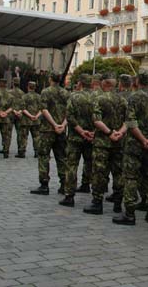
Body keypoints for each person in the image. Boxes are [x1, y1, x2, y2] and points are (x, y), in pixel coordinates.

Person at [113, 70, 148, 226]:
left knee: (131, 178)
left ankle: (130, 213)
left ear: (137, 81)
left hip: (134, 145)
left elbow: (131, 122)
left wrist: (143, 140)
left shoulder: (133, 97)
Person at [83, 75, 128, 215]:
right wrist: (119, 133)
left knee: (99, 172)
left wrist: (109, 133)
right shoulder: (123, 100)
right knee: (118, 172)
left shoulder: (99, 99)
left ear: (106, 84)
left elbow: (97, 121)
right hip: (118, 142)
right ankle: (118, 202)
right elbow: (129, 121)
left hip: (102, 142)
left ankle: (97, 203)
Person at [60, 74, 96, 207]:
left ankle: (69, 195)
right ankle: (89, 187)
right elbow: (100, 118)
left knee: (71, 165)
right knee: (90, 163)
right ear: (91, 84)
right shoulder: (97, 97)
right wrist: (93, 132)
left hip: (75, 137)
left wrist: (81, 131)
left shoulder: (74, 96)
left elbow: (69, 117)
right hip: (92, 136)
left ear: (80, 83)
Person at [30, 73, 69, 195]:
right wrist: (63, 125)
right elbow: (70, 111)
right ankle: (64, 184)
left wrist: (54, 124)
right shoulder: (66, 93)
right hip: (61, 130)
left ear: (50, 79)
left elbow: (44, 110)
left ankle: (44, 184)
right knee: (61, 157)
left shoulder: (45, 92)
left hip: (47, 130)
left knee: (43, 156)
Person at [17, 81, 41, 158]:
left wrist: (30, 116)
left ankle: (22, 152)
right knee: (36, 137)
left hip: (26, 120)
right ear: (35, 87)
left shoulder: (24, 96)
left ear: (28, 87)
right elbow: (42, 109)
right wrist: (36, 116)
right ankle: (37, 152)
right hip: (36, 121)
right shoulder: (39, 97)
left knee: (23, 137)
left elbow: (23, 108)